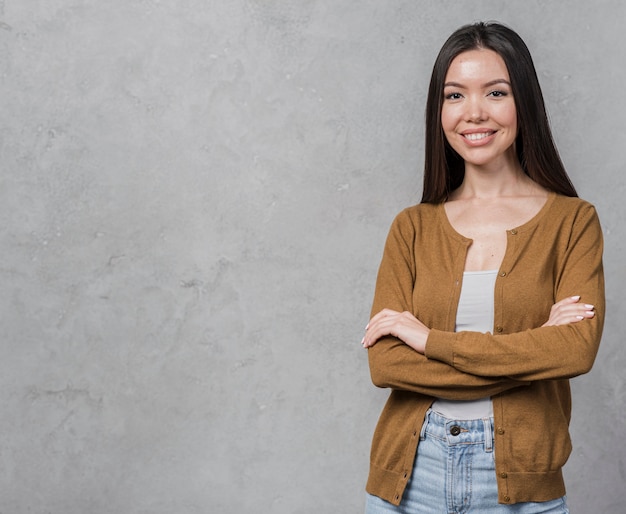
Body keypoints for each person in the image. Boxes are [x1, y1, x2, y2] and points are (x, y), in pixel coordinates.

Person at [361, 21, 604, 513]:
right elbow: (386, 363)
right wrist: (533, 355)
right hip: (411, 478)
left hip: (519, 482)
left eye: (496, 92)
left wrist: (429, 341)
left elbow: (575, 351)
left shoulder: (573, 221)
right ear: (439, 110)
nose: (474, 112)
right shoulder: (411, 227)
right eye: (454, 95)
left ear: (525, 103)